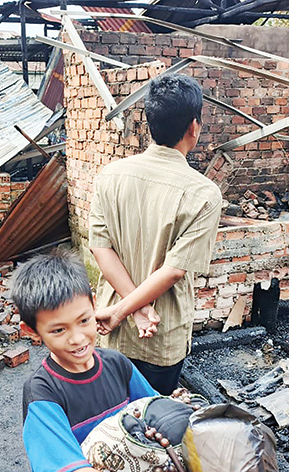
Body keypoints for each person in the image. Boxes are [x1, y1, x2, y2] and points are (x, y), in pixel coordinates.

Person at [12, 250, 194, 472]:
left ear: (94, 305)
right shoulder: (43, 394)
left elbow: (157, 415)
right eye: (58, 330)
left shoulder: (118, 365)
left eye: (84, 320)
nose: (77, 338)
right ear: (33, 332)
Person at [88, 73, 223, 395]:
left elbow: (100, 248)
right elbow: (174, 271)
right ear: (194, 126)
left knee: (109, 414)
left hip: (110, 330)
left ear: (149, 122)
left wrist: (126, 310)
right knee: (150, 421)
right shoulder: (203, 193)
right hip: (160, 335)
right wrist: (130, 312)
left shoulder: (110, 176)